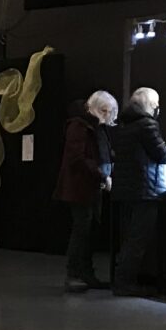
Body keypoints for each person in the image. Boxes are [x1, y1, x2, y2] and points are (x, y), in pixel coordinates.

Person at [110, 87, 166, 296]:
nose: (158, 110)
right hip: (144, 190)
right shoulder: (147, 125)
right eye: (156, 105)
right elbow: (162, 155)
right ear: (149, 106)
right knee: (137, 240)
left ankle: (121, 280)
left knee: (129, 238)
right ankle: (125, 283)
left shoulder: (123, 125)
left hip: (125, 190)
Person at [54, 94, 115, 291]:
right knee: (81, 231)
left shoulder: (92, 127)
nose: (106, 115)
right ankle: (74, 274)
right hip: (80, 187)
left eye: (109, 111)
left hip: (89, 186)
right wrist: (101, 175)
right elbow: (77, 158)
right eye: (103, 110)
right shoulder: (80, 126)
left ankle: (85, 274)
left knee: (87, 232)